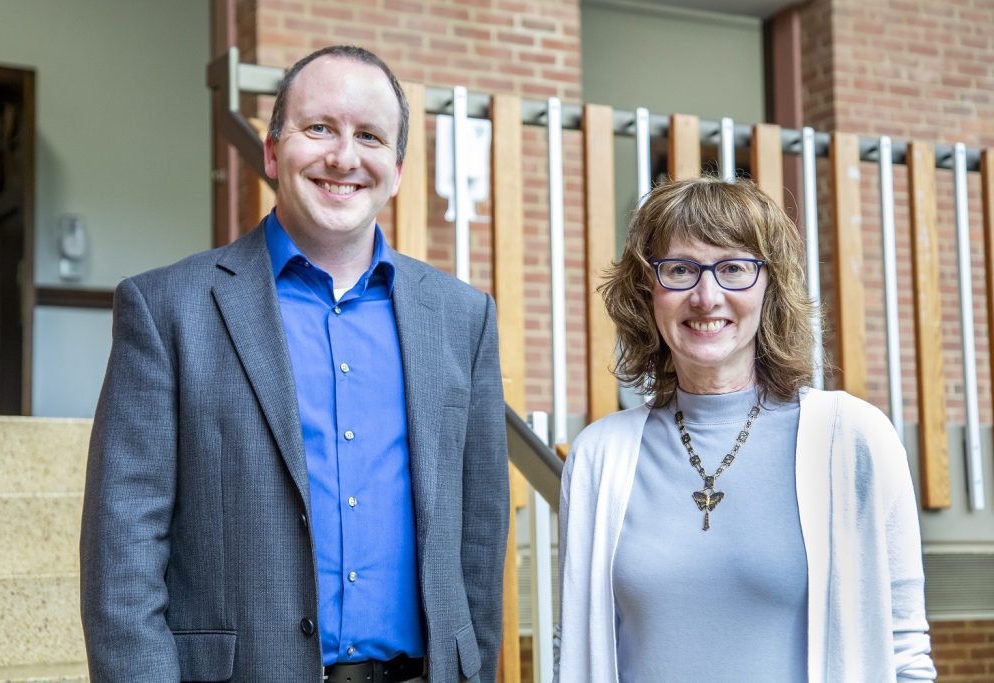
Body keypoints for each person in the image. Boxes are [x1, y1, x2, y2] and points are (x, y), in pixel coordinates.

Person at [80, 45, 508, 683]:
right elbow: (123, 558)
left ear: (395, 168)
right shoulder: (167, 309)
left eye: (369, 135)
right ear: (273, 151)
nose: (343, 156)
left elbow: (478, 540)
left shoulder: (461, 317)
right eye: (319, 128)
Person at [553, 176, 935, 681]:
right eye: (680, 270)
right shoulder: (599, 455)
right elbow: (573, 652)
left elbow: (903, 651)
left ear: (769, 288)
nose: (706, 296)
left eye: (733, 268)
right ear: (648, 291)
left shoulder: (853, 439)